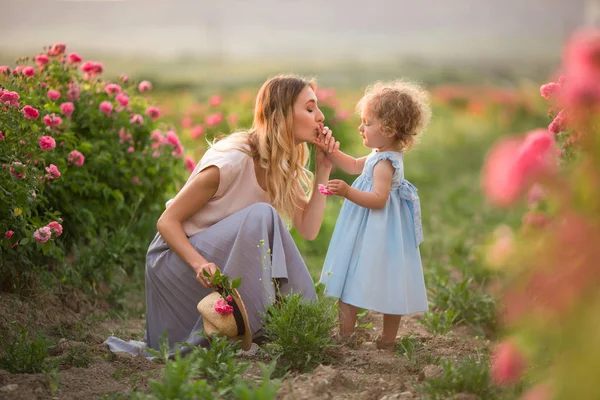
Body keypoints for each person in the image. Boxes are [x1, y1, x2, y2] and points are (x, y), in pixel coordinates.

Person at [104, 74, 339, 357]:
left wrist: (323, 169)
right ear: (281, 115)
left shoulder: (281, 165)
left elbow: (309, 229)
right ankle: (279, 318)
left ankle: (298, 321)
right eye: (310, 108)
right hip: (178, 262)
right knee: (262, 216)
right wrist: (200, 264)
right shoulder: (231, 161)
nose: (321, 116)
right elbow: (167, 221)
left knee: (263, 219)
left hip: (221, 263)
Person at [319, 80, 431, 350]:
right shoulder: (379, 155)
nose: (361, 127)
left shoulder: (384, 163)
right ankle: (384, 340)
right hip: (378, 227)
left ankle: (349, 337)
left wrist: (347, 192)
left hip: (377, 229)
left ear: (389, 129)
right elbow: (354, 164)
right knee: (390, 280)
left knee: (355, 273)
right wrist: (330, 150)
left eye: (367, 122)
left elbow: (379, 200)